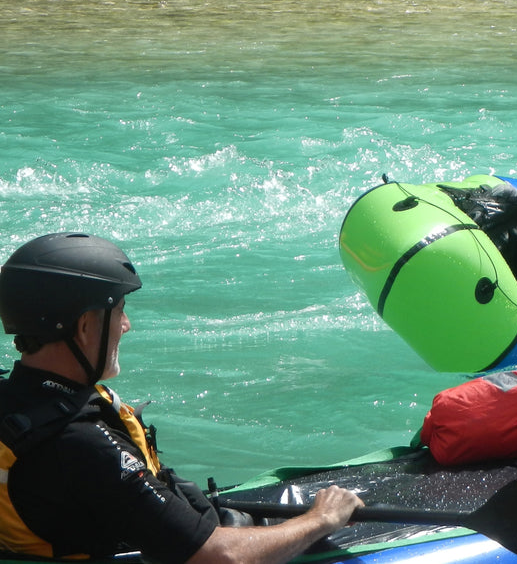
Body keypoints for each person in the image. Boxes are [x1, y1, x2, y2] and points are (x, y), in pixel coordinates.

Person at [0, 232, 363, 563]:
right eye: (119, 311)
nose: (126, 326)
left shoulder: (17, 402)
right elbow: (218, 558)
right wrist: (321, 519)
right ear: (84, 326)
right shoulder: (79, 442)